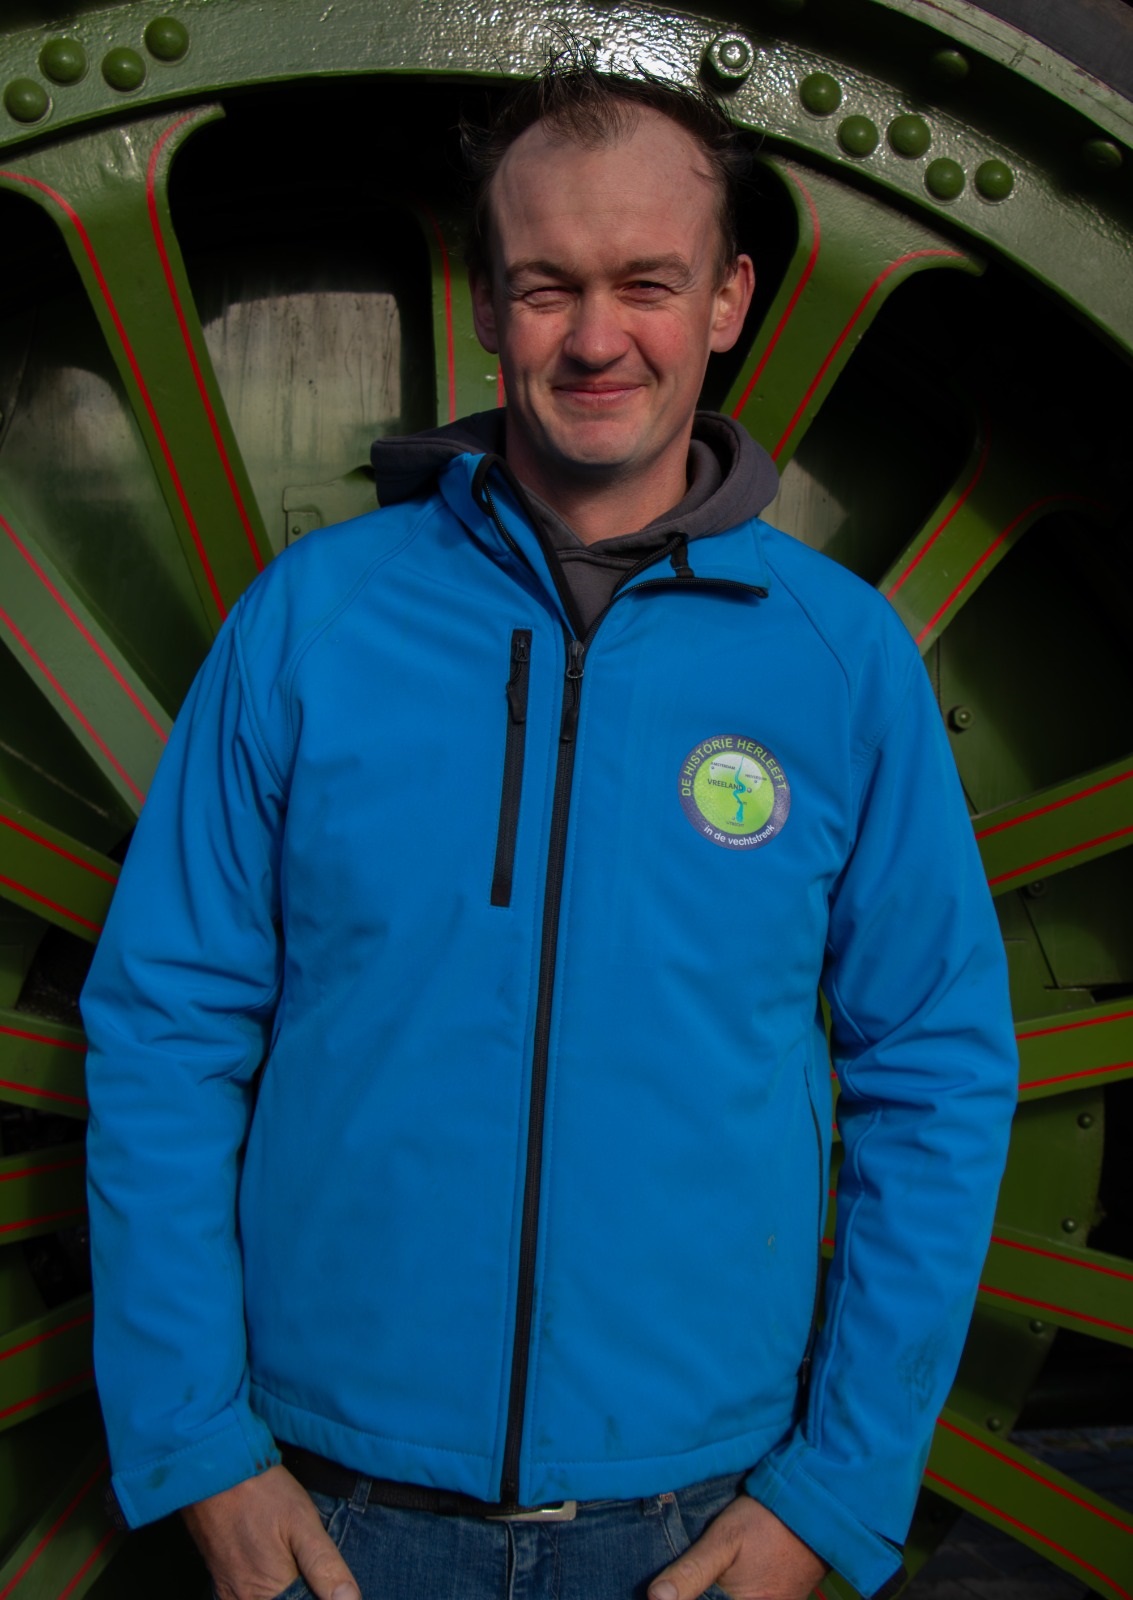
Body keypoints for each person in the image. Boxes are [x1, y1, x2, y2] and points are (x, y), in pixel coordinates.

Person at [81, 62, 1018, 1600]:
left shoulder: (838, 660)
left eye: (646, 282)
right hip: (333, 1516)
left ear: (726, 300)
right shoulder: (313, 622)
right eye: (546, 287)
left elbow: (934, 1071)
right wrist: (197, 1448)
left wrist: (834, 1493)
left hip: (691, 1525)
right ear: (487, 303)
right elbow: (165, 1027)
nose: (596, 339)